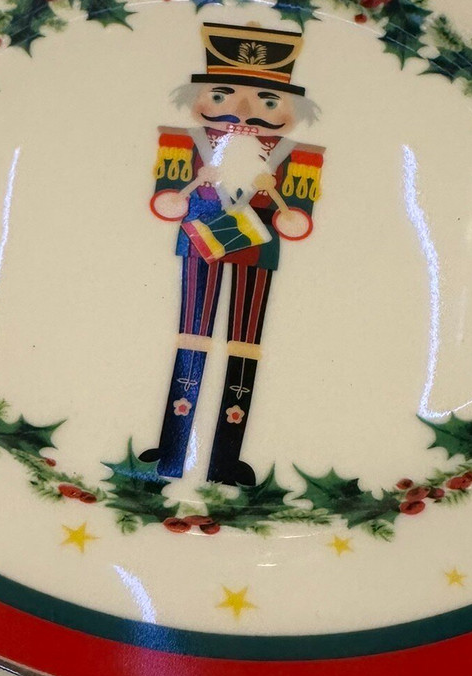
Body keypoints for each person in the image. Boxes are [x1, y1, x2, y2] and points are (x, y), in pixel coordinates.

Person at [141, 21, 324, 486]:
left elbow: (297, 218)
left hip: (258, 248)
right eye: (222, 95)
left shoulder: (298, 156)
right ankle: (172, 449)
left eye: (268, 102)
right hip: (200, 238)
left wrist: (283, 205)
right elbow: (166, 201)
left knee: (246, 341)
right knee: (192, 333)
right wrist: (188, 187)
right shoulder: (183, 144)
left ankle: (226, 458)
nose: (244, 111)